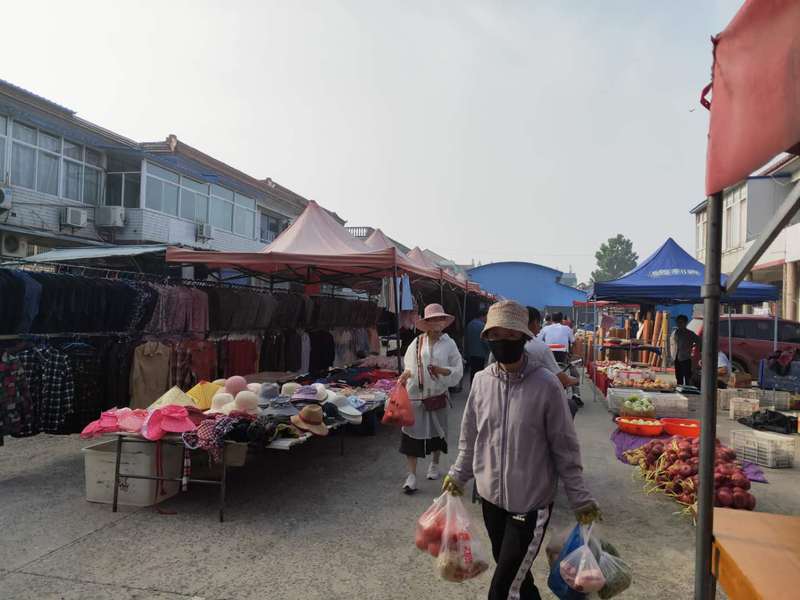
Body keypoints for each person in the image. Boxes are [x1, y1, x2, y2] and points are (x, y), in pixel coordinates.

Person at [443, 300, 599, 600]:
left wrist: (580, 498)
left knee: (502, 588)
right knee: (518, 578)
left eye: (511, 335)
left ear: (524, 338)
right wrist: (458, 475)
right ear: (487, 338)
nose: (503, 341)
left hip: (530, 505)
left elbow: (565, 448)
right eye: (496, 335)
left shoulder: (547, 385)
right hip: (490, 500)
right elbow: (470, 437)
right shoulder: (481, 381)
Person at [397, 303, 464, 494]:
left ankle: (434, 464)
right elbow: (409, 366)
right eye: (432, 319)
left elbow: (458, 369)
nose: (436, 323)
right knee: (410, 435)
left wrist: (442, 370)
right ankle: (411, 476)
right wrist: (405, 376)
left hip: (437, 395)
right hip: (416, 396)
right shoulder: (417, 342)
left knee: (437, 433)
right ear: (426, 322)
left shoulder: (449, 344)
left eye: (439, 319)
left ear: (444, 322)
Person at [670, 315, 701, 386]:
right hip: (676, 358)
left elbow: (699, 341)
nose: (679, 324)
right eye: (678, 322)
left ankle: (688, 390)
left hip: (686, 359)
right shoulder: (675, 333)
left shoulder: (690, 334)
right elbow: (672, 344)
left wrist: (693, 348)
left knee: (688, 378)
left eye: (681, 322)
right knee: (678, 377)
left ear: (685, 323)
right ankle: (679, 389)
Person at [465, 309, 489, 382]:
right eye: (486, 317)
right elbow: (485, 341)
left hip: (471, 353)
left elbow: (466, 339)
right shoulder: (483, 326)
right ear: (482, 316)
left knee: (473, 372)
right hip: (480, 354)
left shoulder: (470, 324)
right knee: (479, 373)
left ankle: (472, 386)